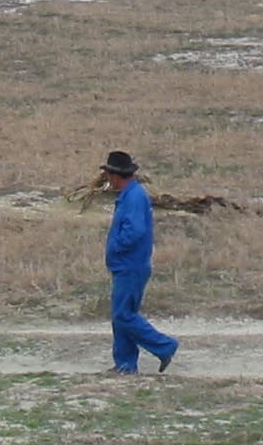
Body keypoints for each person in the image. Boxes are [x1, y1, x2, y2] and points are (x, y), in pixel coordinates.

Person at [100, 150, 179, 375]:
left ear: (116, 175)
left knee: (123, 315)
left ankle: (165, 346)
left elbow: (135, 231)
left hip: (130, 265)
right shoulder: (131, 194)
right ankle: (125, 365)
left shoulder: (134, 197)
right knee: (122, 315)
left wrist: (116, 246)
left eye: (108, 174)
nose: (107, 179)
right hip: (127, 265)